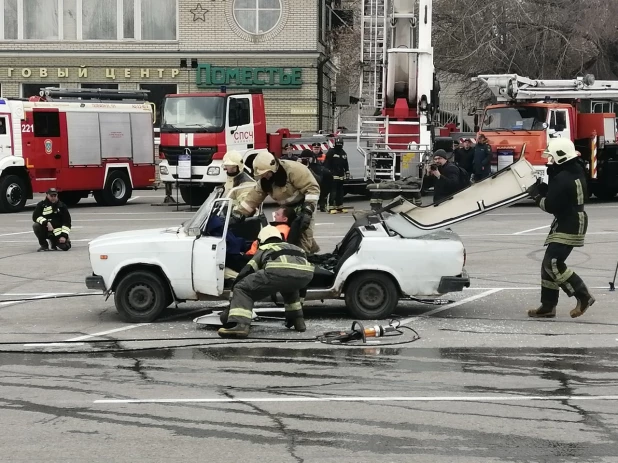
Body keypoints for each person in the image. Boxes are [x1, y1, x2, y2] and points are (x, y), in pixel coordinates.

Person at [526, 138, 595, 319]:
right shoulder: (573, 171)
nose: (550, 161)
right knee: (547, 264)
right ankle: (548, 306)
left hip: (570, 223)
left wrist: (535, 195)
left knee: (553, 263)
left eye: (552, 157)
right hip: (570, 220)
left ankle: (583, 296)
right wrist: (545, 187)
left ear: (560, 156)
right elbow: (561, 195)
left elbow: (550, 205)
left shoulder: (563, 177)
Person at [218, 225, 315, 338]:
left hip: (276, 272)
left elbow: (247, 271)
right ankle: (298, 322)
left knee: (242, 288)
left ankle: (240, 325)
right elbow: (299, 281)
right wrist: (301, 303)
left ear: (260, 240)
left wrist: (234, 295)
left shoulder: (265, 248)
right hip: (306, 275)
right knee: (290, 288)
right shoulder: (295, 248)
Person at [232, 149, 321, 255]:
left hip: (305, 203)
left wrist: (308, 210)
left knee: (304, 230)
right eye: (262, 175)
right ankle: (312, 251)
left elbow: (312, 189)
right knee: (292, 233)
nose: (264, 177)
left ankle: (304, 258)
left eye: (266, 174)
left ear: (273, 168)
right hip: (288, 208)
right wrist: (238, 213)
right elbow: (252, 199)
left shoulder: (294, 170)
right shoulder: (264, 182)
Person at [324, 137, 350, 213]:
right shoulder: (331, 152)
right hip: (333, 175)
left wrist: (347, 172)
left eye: (340, 144)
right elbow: (327, 163)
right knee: (333, 191)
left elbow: (346, 164)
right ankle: (330, 207)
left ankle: (339, 206)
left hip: (341, 175)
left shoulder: (343, 153)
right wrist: (328, 173)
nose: (339, 145)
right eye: (338, 144)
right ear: (335, 144)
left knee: (340, 192)